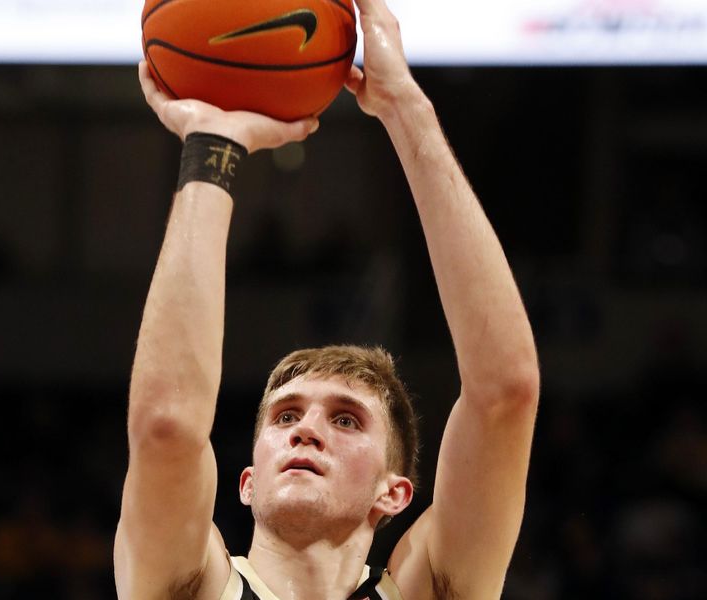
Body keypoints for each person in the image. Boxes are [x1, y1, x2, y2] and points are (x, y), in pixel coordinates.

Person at [114, 0, 540, 598]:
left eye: (345, 419)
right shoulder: (190, 585)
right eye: (286, 416)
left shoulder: (429, 589)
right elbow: (167, 426)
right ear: (246, 483)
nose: (305, 431)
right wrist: (211, 147)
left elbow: (505, 394)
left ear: (392, 492)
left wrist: (405, 107)